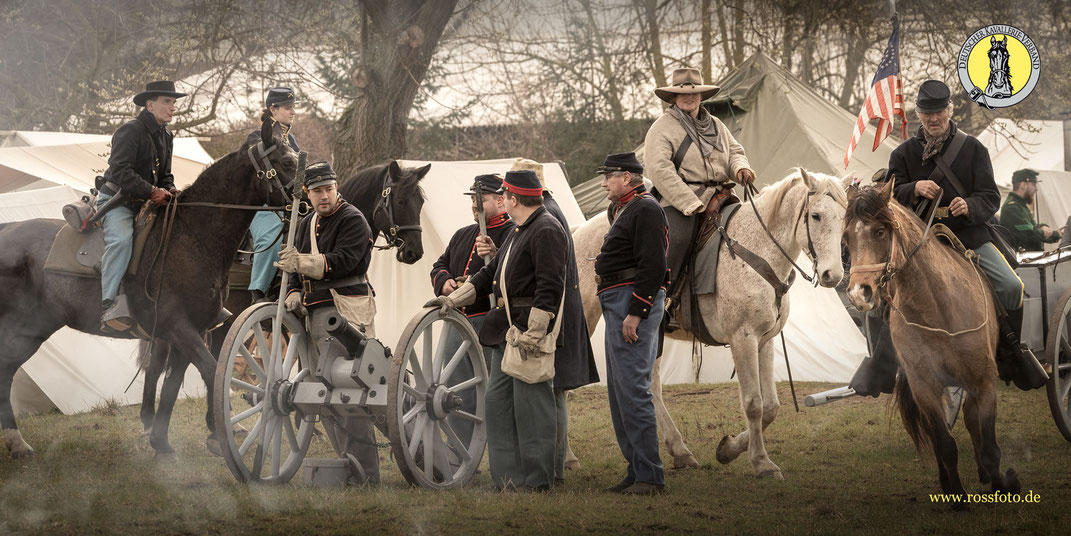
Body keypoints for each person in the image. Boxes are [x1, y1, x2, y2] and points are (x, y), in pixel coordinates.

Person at [889, 79, 1046, 391]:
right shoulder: (903, 153)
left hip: (969, 237)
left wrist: (970, 205)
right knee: (887, 293)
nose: (933, 118)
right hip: (922, 242)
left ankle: (1008, 353)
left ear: (949, 111)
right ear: (918, 114)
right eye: (926, 113)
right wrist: (914, 187)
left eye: (938, 112)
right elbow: (889, 196)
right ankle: (888, 364)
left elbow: (990, 197)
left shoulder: (973, 149)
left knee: (1011, 286)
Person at [426, 169, 569, 492]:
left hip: (528, 329)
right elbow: (488, 274)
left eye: (502, 195)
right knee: (496, 402)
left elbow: (550, 284)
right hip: (507, 329)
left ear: (513, 199)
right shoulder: (522, 230)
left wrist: (536, 329)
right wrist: (451, 300)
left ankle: (536, 480)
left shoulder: (546, 228)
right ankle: (506, 478)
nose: (500, 200)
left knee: (532, 406)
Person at [278, 161, 380, 484]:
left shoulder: (353, 220)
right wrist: (294, 288)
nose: (324, 196)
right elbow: (292, 268)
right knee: (323, 395)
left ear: (337, 189)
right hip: (313, 313)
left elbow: (343, 262)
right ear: (307, 193)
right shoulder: (305, 222)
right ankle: (346, 465)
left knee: (348, 394)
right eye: (317, 190)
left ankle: (367, 475)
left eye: (329, 189)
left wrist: (303, 263)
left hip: (346, 312)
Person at [509, 158, 598, 481]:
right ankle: (561, 461)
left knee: (551, 391)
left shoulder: (546, 219)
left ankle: (555, 464)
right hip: (560, 313)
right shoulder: (548, 211)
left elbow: (548, 279)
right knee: (554, 390)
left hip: (554, 317)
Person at [642, 67, 755, 304]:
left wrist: (740, 168)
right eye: (683, 94)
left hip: (721, 195)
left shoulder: (716, 124)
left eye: (694, 93)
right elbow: (659, 169)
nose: (689, 97)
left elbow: (734, 151)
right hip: (682, 200)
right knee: (678, 239)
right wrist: (689, 202)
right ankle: (661, 300)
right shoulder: (662, 128)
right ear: (673, 97)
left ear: (701, 96)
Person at [594, 153, 669, 495]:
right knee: (620, 392)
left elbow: (653, 265)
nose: (604, 183)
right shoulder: (627, 209)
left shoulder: (646, 208)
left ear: (627, 177)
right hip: (617, 300)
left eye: (608, 176)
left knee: (634, 390)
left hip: (630, 302)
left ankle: (650, 475)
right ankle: (636, 468)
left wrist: (637, 310)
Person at [429, 173, 516, 443]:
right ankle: (460, 451)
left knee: (494, 393)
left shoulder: (514, 233)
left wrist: (495, 251)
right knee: (455, 392)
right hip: (457, 323)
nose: (475, 206)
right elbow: (438, 266)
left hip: (488, 322)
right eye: (473, 200)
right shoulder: (462, 234)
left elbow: (515, 270)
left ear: (502, 200)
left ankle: (501, 450)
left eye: (483, 200)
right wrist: (444, 284)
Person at [98, 80, 187, 333]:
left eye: (173, 102)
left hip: (147, 204)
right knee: (121, 241)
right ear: (150, 105)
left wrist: (170, 190)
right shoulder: (130, 131)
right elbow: (120, 171)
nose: (172, 107)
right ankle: (108, 304)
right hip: (119, 202)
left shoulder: (167, 135)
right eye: (167, 102)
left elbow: (165, 176)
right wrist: (151, 191)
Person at [248, 87, 301, 303]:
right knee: (273, 236)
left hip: (289, 206)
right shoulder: (257, 138)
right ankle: (257, 292)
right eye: (288, 107)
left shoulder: (293, 141)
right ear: (273, 109)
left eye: (293, 107)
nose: (293, 112)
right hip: (263, 207)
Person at [1000, 168, 1061, 252]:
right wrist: (1055, 234)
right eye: (1034, 184)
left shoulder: (1020, 205)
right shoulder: (1012, 207)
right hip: (1022, 262)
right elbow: (1029, 234)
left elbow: (1033, 227)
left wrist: (1043, 226)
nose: (1036, 189)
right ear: (1023, 185)